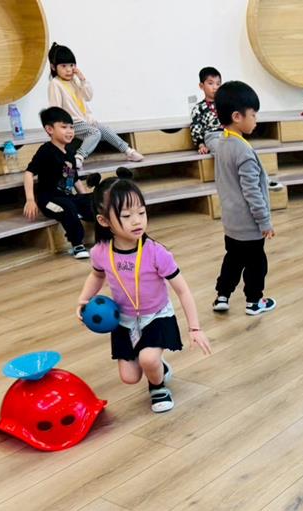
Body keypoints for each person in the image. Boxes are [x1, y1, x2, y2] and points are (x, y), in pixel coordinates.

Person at [76, 169, 211, 413]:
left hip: (156, 315)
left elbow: (182, 290)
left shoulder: (156, 252)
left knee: (148, 359)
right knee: (129, 377)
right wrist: (83, 300)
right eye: (127, 216)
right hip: (124, 319)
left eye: (141, 212)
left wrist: (195, 328)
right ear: (104, 221)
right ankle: (158, 366)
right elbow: (97, 275)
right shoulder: (100, 251)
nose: (137, 221)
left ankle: (157, 386)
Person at [211, 81, 277, 316]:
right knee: (256, 264)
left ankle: (222, 295)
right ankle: (254, 301)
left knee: (233, 259)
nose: (256, 120)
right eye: (253, 114)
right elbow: (252, 192)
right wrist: (264, 221)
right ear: (237, 116)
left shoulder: (222, 143)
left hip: (230, 223)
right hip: (249, 225)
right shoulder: (244, 151)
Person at [46, 43, 143, 167]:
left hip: (85, 120)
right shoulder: (55, 84)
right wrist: (62, 128)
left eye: (71, 65)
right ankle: (79, 157)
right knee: (95, 132)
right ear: (53, 67)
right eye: (64, 66)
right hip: (71, 123)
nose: (69, 69)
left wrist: (82, 79)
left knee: (105, 130)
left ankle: (128, 151)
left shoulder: (75, 80)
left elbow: (88, 96)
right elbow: (55, 109)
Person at [23, 107, 99, 258]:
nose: (69, 131)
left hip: (68, 196)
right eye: (64, 127)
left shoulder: (70, 153)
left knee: (95, 200)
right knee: (68, 207)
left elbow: (74, 178)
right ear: (49, 129)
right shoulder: (46, 150)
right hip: (49, 200)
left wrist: (84, 198)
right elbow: (29, 173)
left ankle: (105, 237)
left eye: (71, 127)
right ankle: (77, 245)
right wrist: (30, 200)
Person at [190, 66, 223, 155]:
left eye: (218, 84)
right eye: (211, 83)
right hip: (212, 136)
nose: (215, 87)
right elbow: (196, 128)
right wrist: (201, 146)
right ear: (201, 86)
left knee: (241, 147)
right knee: (221, 149)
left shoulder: (224, 104)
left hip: (228, 135)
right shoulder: (199, 108)